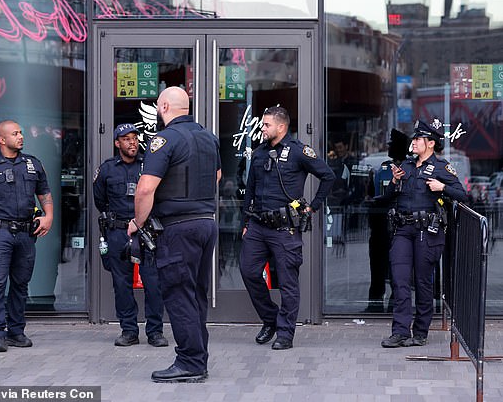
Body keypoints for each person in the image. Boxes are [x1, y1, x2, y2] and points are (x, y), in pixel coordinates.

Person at [127, 86, 221, 383]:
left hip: (179, 227)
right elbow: (217, 176)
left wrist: (138, 222)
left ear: (165, 107)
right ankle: (198, 355)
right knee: (195, 293)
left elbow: (145, 188)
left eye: (158, 107)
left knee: (179, 294)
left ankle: (190, 362)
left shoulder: (164, 139)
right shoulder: (208, 137)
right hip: (206, 222)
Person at [240, 106, 335, 350]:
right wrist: (245, 222)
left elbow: (328, 176)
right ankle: (270, 319)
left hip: (285, 229)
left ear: (281, 127)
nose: (262, 128)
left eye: (266, 125)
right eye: (263, 124)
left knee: (287, 282)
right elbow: (250, 189)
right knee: (249, 271)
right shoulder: (260, 153)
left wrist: (312, 207)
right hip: (258, 226)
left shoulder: (298, 151)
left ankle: (285, 333)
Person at [0, 120, 53, 352]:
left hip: (26, 233)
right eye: (15, 133)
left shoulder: (33, 165)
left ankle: (16, 331)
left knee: (20, 284)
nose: (21, 136)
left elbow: (44, 192)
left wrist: (48, 216)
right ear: (2, 139)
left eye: (21, 132)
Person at [381, 119, 467, 348]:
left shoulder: (441, 167)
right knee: (399, 281)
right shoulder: (406, 166)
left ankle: (420, 331)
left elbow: (463, 194)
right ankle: (400, 331)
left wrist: (442, 188)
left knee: (422, 283)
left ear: (430, 143)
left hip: (426, 232)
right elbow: (388, 196)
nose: (414, 142)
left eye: (418, 139)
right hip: (403, 230)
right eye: (415, 138)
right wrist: (394, 181)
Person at [93, 123, 167, 347]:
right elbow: (100, 200)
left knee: (153, 283)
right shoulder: (106, 169)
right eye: (126, 139)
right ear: (117, 143)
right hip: (118, 231)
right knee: (121, 283)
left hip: (146, 232)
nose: (132, 142)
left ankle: (155, 332)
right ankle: (129, 331)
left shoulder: (148, 165)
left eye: (134, 138)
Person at [365, 129, 409, 313]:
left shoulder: (410, 168)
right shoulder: (383, 168)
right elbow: (371, 194)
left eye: (392, 144)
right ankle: (374, 304)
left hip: (399, 224)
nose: (388, 147)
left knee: (397, 269)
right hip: (379, 224)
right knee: (377, 266)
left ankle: (394, 305)